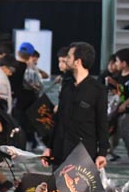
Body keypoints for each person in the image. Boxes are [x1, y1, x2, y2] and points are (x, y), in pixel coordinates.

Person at [44, 42, 110, 170]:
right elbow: (58, 119)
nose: (66, 60)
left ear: (77, 62)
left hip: (83, 151)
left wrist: (102, 153)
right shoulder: (66, 85)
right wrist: (49, 146)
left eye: (69, 57)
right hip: (60, 149)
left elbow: (102, 123)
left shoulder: (98, 90)